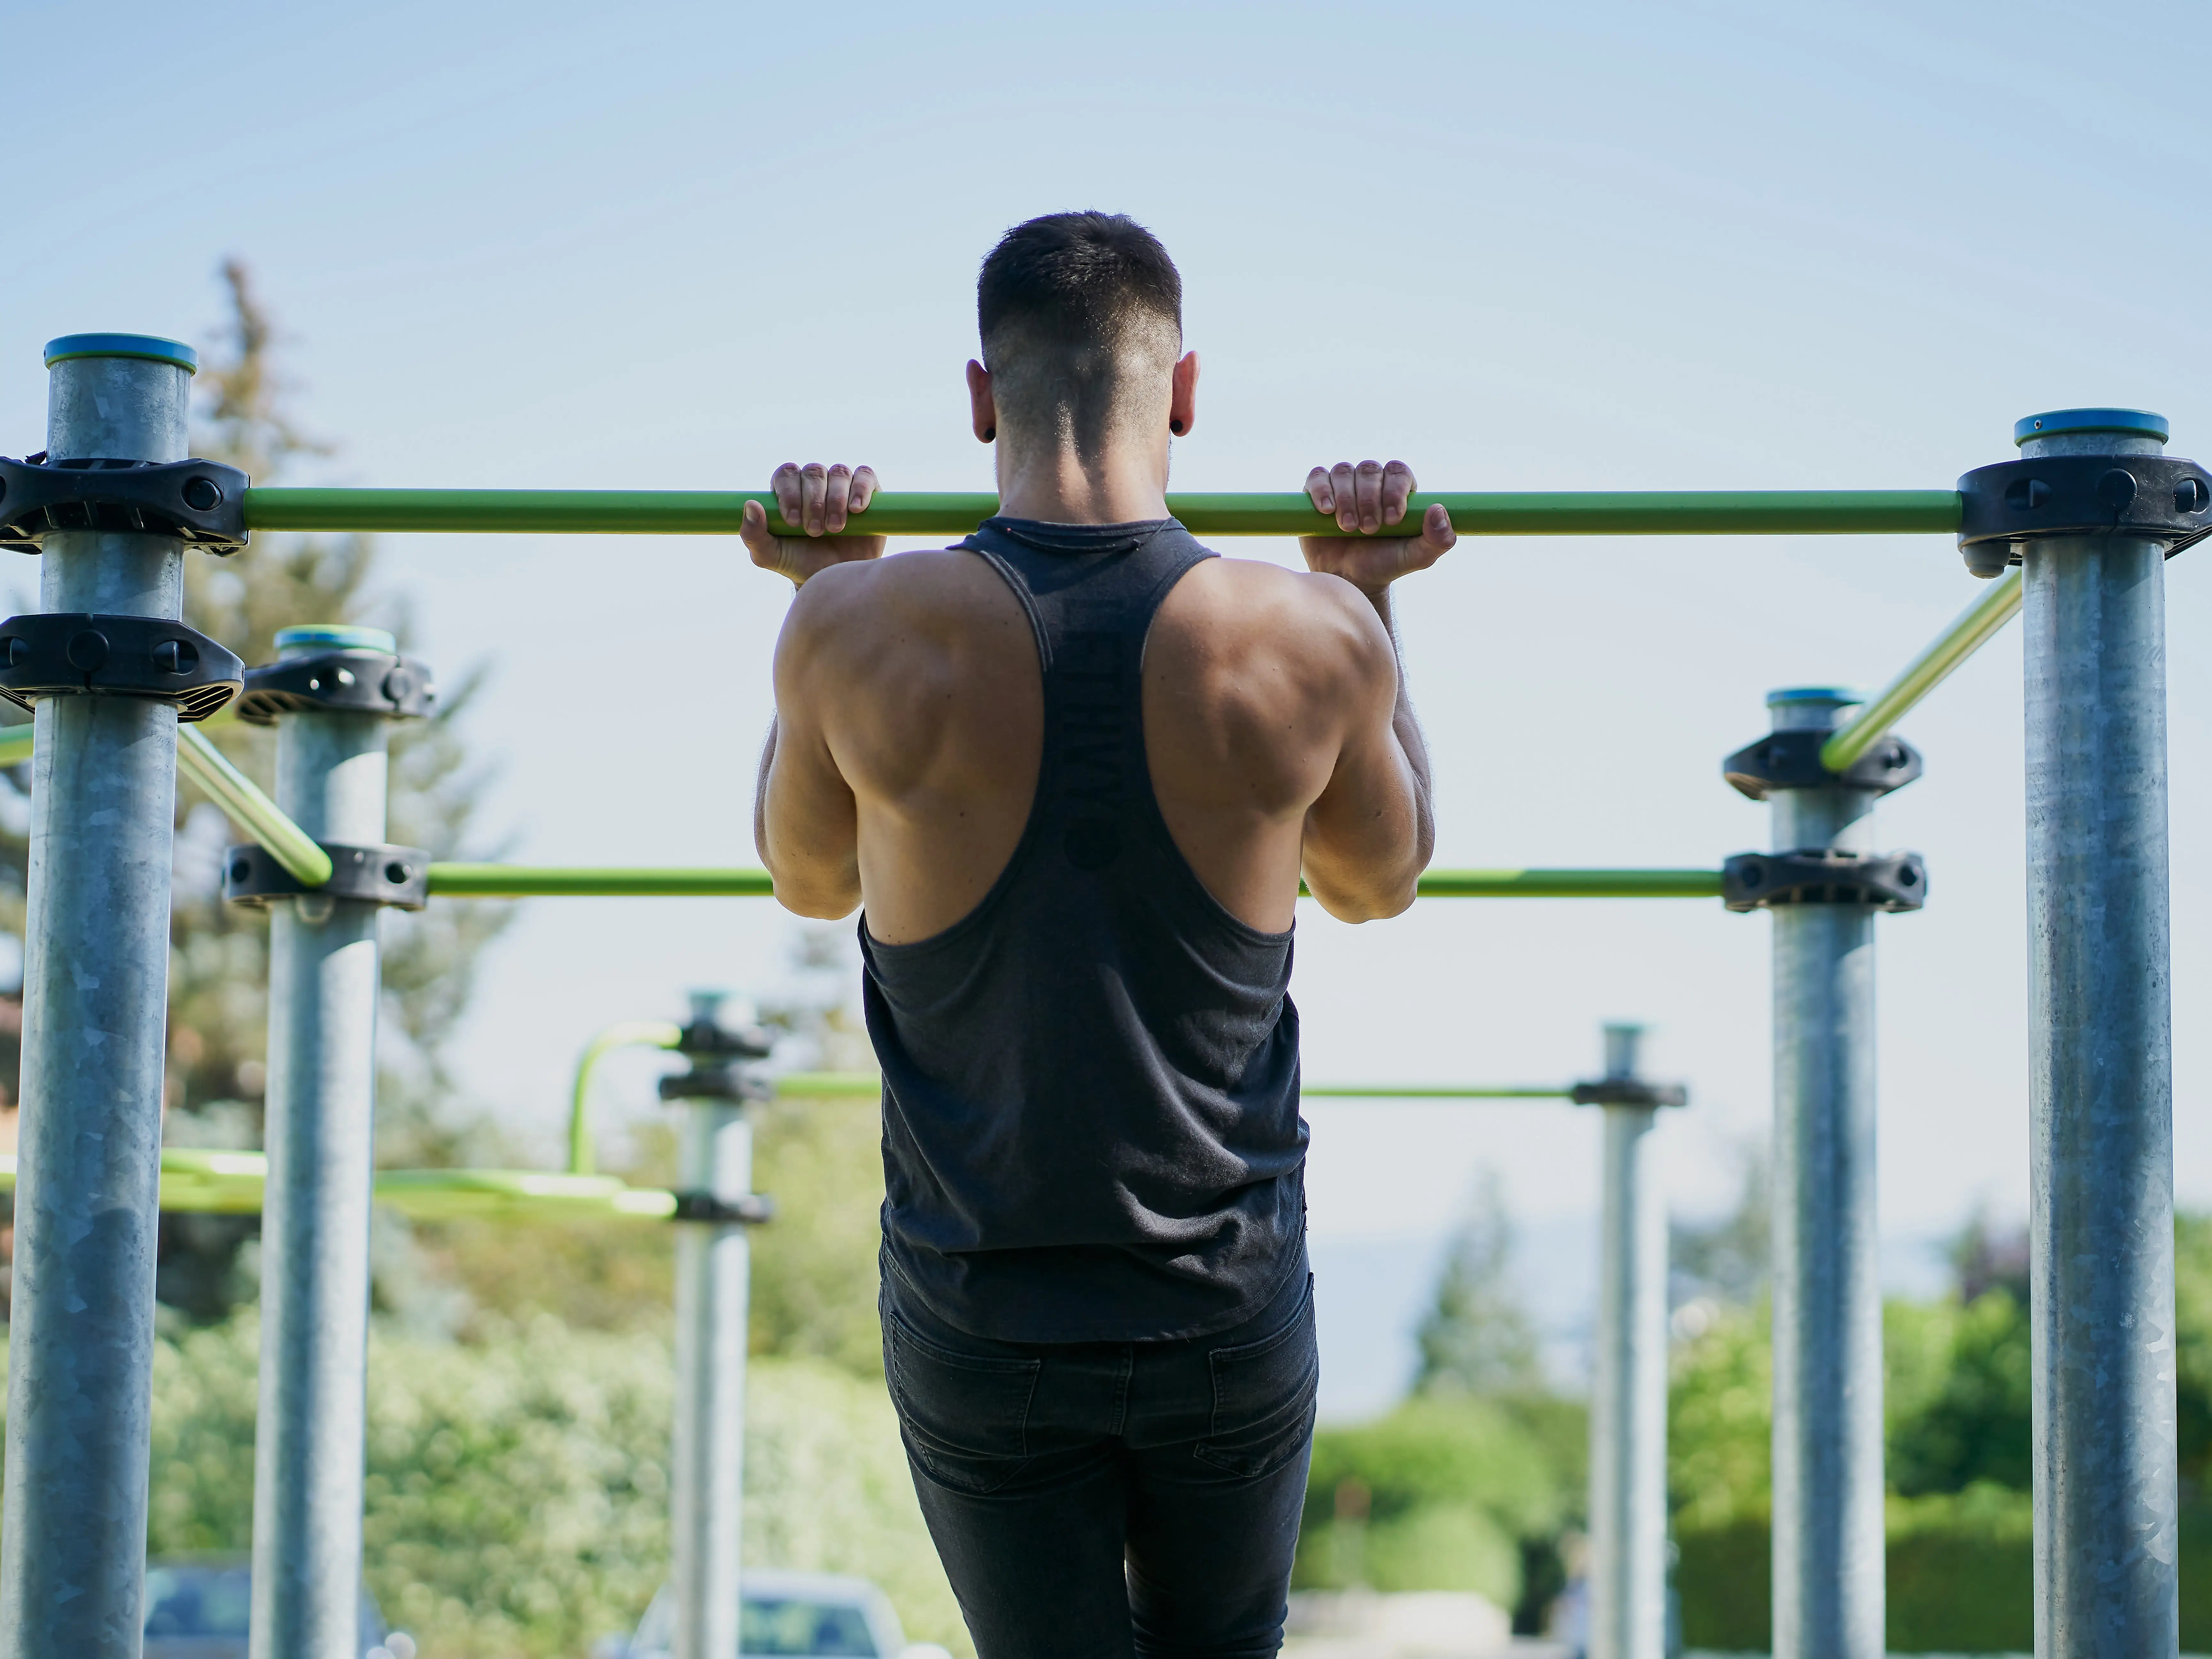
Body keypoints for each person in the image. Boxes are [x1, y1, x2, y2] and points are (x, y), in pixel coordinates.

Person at [741, 211, 1453, 1659]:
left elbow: (809, 881)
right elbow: (1383, 881)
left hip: (979, 1312)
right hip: (1221, 1307)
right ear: (1182, 390)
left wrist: (824, 589)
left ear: (979, 396)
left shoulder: (857, 628)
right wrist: (1366, 597)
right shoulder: (1307, 633)